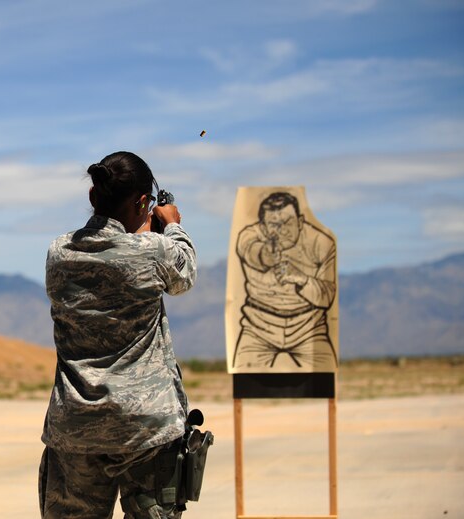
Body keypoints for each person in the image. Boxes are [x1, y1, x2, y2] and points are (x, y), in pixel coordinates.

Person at [38, 151, 197, 518]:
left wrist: (139, 230)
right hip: (144, 428)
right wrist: (171, 225)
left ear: (94, 197)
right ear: (143, 202)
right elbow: (183, 272)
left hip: (77, 425)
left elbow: (111, 255)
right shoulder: (155, 250)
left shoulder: (59, 252)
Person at [232, 191, 337, 371]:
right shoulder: (248, 235)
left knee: (325, 376)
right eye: (274, 225)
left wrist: (301, 279)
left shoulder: (321, 243)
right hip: (258, 325)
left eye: (287, 222)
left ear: (300, 221)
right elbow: (250, 250)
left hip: (308, 326)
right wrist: (266, 256)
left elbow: (327, 297)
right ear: (263, 228)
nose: (281, 230)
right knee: (243, 377)